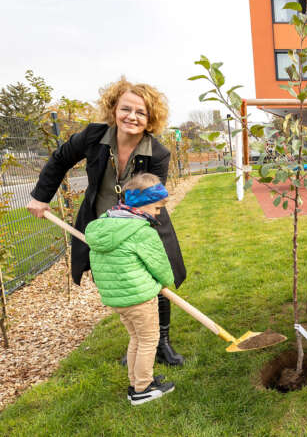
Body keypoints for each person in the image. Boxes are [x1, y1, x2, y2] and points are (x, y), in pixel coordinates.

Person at [26, 77, 187, 366]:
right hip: (101, 219)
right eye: (126, 109)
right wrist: (40, 196)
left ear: (150, 118)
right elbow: (60, 159)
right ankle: (139, 343)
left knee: (154, 280)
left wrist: (126, 229)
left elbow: (150, 198)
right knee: (124, 283)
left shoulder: (158, 153)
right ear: (114, 108)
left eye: (141, 112)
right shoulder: (93, 137)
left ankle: (161, 342)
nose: (132, 117)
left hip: (143, 223)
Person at [85, 173, 176, 405]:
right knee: (149, 340)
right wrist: (166, 282)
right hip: (139, 297)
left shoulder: (106, 224)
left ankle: (137, 382)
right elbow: (159, 264)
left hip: (117, 298)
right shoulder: (141, 231)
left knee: (136, 338)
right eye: (157, 208)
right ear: (144, 203)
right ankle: (143, 389)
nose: (158, 213)